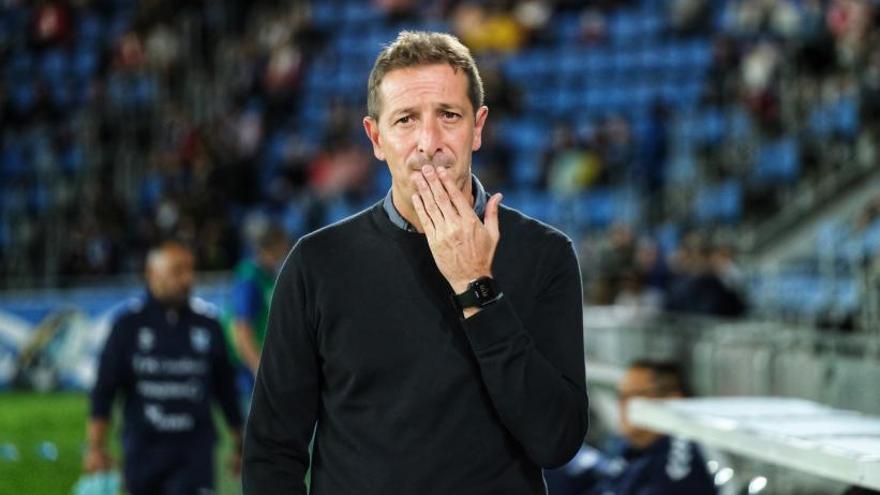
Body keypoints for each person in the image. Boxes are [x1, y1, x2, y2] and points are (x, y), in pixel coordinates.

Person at [243, 31, 589, 494]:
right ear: (376, 137)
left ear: (478, 126)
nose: (429, 141)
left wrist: (476, 285)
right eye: (406, 119)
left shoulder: (545, 254)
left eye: (449, 115)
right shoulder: (316, 264)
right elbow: (272, 450)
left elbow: (557, 440)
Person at [84, 240, 243, 495]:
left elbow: (226, 389)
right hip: (144, 452)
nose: (187, 279)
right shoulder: (128, 326)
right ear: (152, 274)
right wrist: (95, 447)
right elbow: (104, 389)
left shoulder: (208, 325)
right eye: (177, 271)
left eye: (190, 270)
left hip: (195, 454)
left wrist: (240, 443)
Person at [545, 360, 716, 495]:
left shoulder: (679, 458)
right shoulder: (628, 448)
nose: (622, 405)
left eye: (633, 396)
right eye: (620, 396)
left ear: (672, 400)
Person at [223, 223, 290, 413]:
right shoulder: (249, 278)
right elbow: (241, 329)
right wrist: (258, 370)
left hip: (262, 368)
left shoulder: (266, 276)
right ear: (276, 246)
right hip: (249, 376)